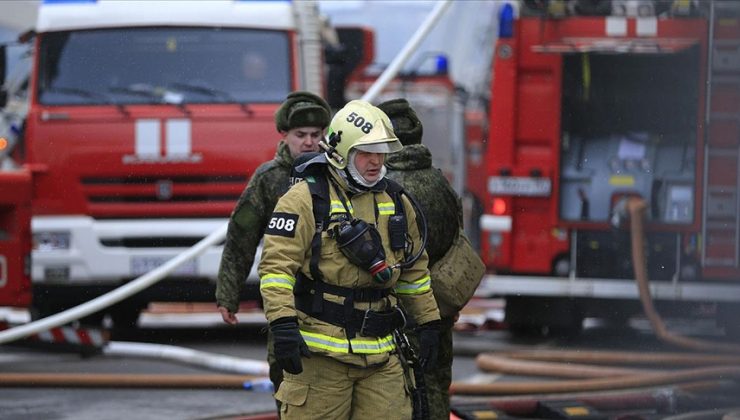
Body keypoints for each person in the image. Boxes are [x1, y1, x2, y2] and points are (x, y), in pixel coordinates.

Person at [258, 99, 441, 419]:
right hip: (320, 358)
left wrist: (428, 322)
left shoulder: (396, 202)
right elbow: (276, 268)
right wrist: (283, 323)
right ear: (341, 153)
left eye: (381, 152)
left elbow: (414, 272)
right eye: (366, 153)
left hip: (381, 359)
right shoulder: (304, 199)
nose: (376, 161)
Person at [215, 90, 331, 395]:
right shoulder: (268, 179)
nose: (308, 142)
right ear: (284, 135)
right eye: (300, 134)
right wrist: (228, 295)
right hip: (285, 298)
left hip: (331, 297)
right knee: (285, 376)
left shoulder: (336, 174)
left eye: (316, 134)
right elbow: (241, 238)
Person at [379, 98, 474, 420]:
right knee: (435, 384)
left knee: (402, 394)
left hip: (402, 313)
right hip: (442, 306)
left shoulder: (388, 190)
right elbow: (455, 238)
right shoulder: (440, 182)